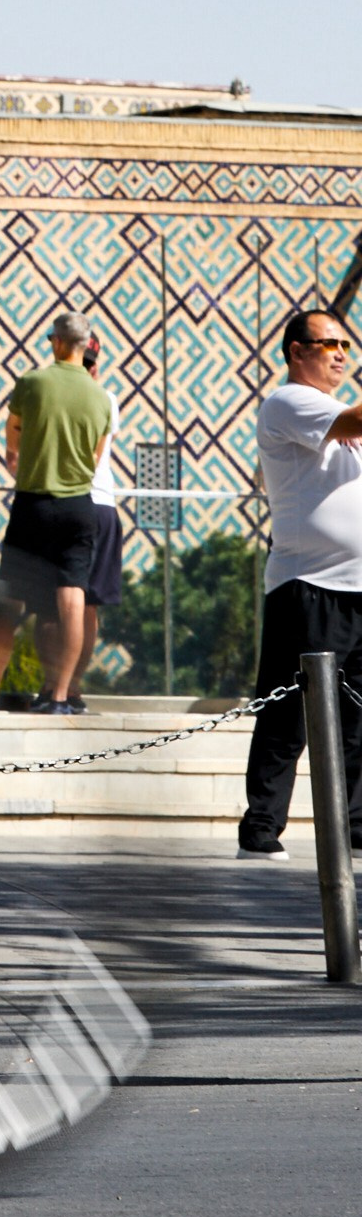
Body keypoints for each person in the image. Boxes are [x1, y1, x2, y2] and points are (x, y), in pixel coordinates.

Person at [238, 308, 362, 857]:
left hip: (357, 587)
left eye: (345, 344)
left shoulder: (339, 412)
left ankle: (355, 828)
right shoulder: (288, 402)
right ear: (296, 351)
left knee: (357, 721)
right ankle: (261, 831)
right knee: (286, 716)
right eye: (327, 342)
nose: (340, 352)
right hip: (306, 583)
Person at [0, 310, 111, 718]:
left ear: (56, 342)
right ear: (85, 347)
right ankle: (62, 696)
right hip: (79, 506)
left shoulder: (32, 383)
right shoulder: (100, 398)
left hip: (33, 503)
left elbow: (13, 432)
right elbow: (96, 458)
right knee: (72, 604)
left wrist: (21, 457)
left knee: (8, 605)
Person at [78, 330, 124, 697]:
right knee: (87, 604)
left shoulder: (98, 399)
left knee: (62, 603)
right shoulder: (108, 399)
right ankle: (70, 688)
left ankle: (60, 687)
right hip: (102, 504)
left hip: (72, 501)